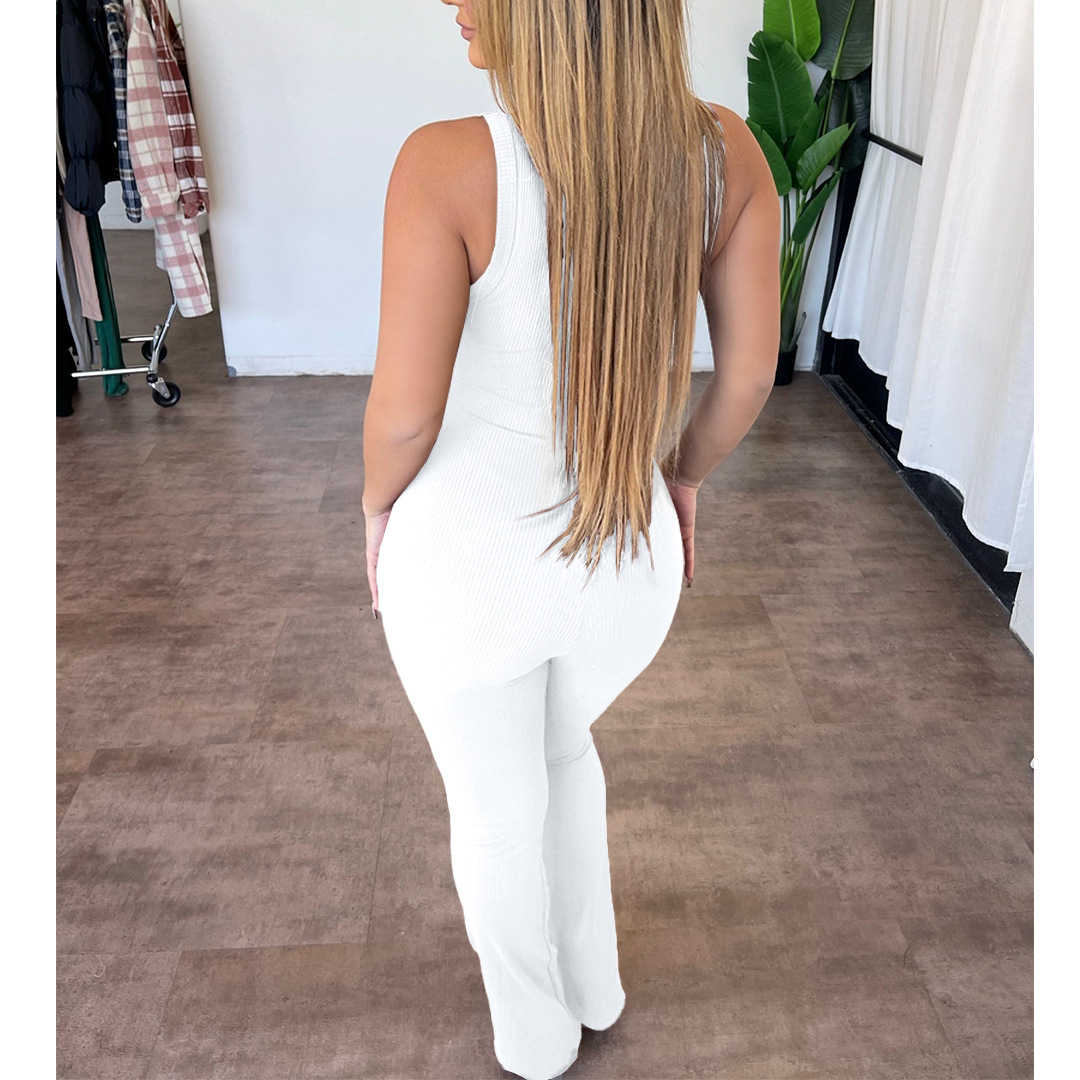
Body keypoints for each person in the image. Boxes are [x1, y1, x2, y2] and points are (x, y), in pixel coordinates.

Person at [361, 2, 781, 1077]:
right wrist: (681, 479)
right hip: (628, 563)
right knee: (559, 752)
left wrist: (375, 512)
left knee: (497, 808)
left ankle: (537, 1038)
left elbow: (403, 419)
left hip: (470, 570)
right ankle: (596, 987)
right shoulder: (727, 153)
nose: (452, 1)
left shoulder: (446, 164)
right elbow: (747, 378)